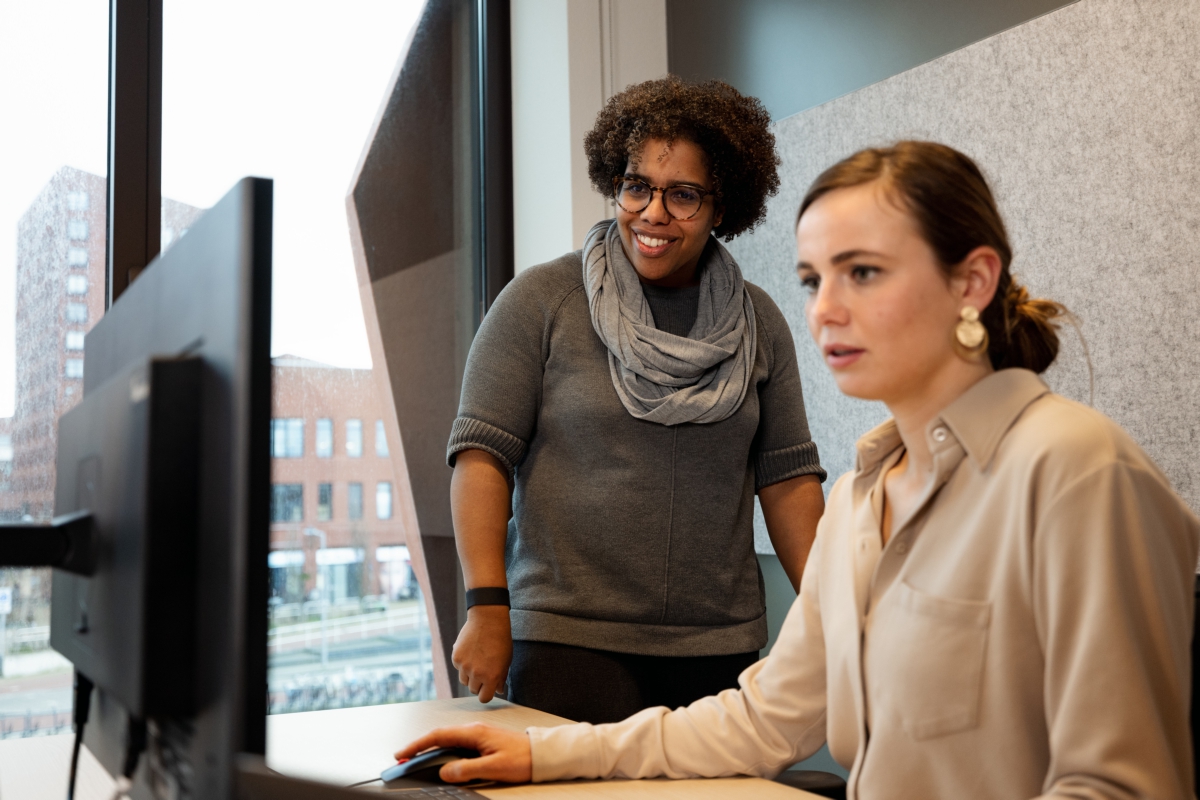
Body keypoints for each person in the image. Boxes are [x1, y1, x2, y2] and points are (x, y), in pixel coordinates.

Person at [399, 141, 1200, 798]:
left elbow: (1121, 787)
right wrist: (546, 752)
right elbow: (764, 721)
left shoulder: (1077, 470)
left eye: (863, 272)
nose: (824, 310)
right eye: (814, 280)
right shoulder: (856, 504)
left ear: (972, 282)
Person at [446, 76, 827, 724]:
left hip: (719, 648)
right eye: (636, 186)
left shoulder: (758, 323)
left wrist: (832, 619)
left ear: (721, 206)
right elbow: (480, 456)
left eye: (683, 195)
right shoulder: (542, 301)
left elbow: (788, 480)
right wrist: (486, 606)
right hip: (568, 644)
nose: (652, 213)